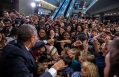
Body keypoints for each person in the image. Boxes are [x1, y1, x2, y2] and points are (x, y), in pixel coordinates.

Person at [0, 24, 66, 77]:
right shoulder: (14, 55)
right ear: (32, 39)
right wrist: (55, 68)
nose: (38, 39)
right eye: (36, 36)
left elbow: (36, 44)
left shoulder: (17, 43)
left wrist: (46, 41)